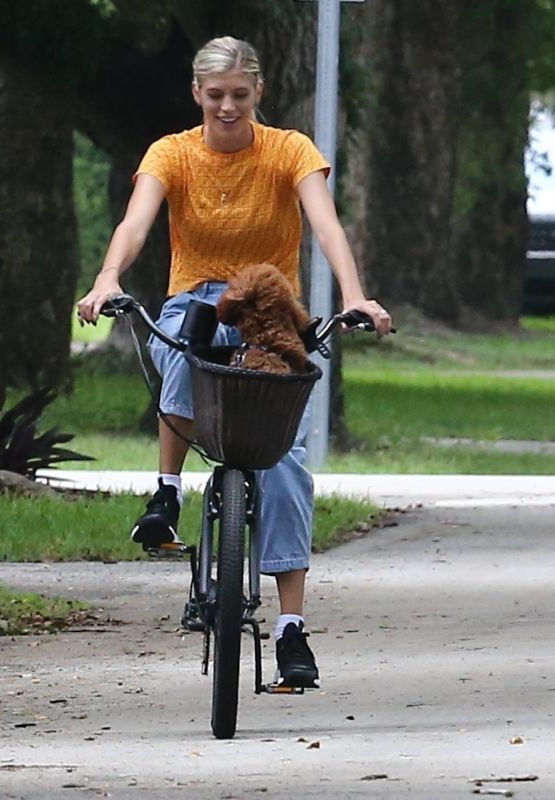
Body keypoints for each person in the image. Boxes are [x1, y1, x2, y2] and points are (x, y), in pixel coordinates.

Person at [76, 35, 392, 687]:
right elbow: (136, 223)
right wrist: (109, 277)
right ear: (196, 94)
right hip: (196, 298)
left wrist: (354, 296)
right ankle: (166, 492)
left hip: (269, 310)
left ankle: (291, 629)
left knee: (286, 466)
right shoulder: (171, 153)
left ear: (259, 95)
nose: (227, 108)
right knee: (182, 341)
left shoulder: (289, 150)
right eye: (215, 96)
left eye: (239, 96)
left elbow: (326, 225)